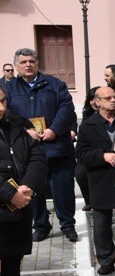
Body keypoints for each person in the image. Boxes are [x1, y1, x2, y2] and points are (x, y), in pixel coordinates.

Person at [6, 48, 78, 243]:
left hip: (57, 148)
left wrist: (54, 130)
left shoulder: (55, 85)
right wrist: (24, 129)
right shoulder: (9, 89)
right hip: (28, 151)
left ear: (38, 64)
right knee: (33, 189)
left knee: (63, 189)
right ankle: (40, 225)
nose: (28, 65)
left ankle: (68, 224)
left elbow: (66, 109)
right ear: (16, 66)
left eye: (31, 61)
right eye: (23, 62)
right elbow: (7, 112)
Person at [0, 84, 48, 276]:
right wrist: (10, 194)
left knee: (12, 264)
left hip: (19, 208)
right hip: (6, 202)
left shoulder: (18, 125)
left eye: (3, 101)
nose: (1, 108)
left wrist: (28, 187)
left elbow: (37, 157)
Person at [75, 86, 115, 275]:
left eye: (114, 97)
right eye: (108, 97)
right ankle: (106, 260)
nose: (113, 100)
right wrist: (103, 156)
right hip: (100, 179)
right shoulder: (88, 125)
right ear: (97, 102)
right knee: (102, 224)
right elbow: (81, 154)